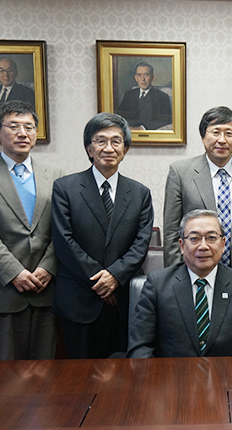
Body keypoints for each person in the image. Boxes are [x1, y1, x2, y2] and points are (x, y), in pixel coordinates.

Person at [0, 100, 61, 360]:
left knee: (46, 375)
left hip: (45, 288)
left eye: (29, 127)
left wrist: (47, 268)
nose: (22, 133)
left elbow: (63, 228)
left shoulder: (55, 174)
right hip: (1, 289)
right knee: (5, 379)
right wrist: (15, 272)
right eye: (14, 126)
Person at [51, 112, 154, 358]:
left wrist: (115, 277)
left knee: (125, 379)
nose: (109, 147)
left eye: (116, 141)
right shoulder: (65, 188)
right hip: (80, 298)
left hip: (124, 300)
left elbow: (141, 243)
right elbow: (64, 241)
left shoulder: (140, 193)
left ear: (125, 149)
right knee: (79, 381)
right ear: (89, 148)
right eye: (100, 141)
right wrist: (101, 281)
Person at [128, 209, 232, 357]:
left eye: (211, 238)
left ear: (223, 244)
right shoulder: (157, 285)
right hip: (171, 377)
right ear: (181, 245)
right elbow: (140, 348)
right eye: (194, 239)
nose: (203, 246)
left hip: (227, 377)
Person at [163, 106, 232, 295]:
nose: (222, 140)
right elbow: (172, 232)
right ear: (203, 137)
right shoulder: (180, 173)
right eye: (215, 132)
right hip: (193, 277)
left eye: (229, 133)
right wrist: (177, 279)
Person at [115, 62, 172, 130]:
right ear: (136, 78)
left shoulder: (162, 96)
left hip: (148, 133)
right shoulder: (129, 94)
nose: (142, 79)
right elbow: (120, 115)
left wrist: (142, 128)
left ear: (153, 78)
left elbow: (164, 120)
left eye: (146, 75)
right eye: (139, 75)